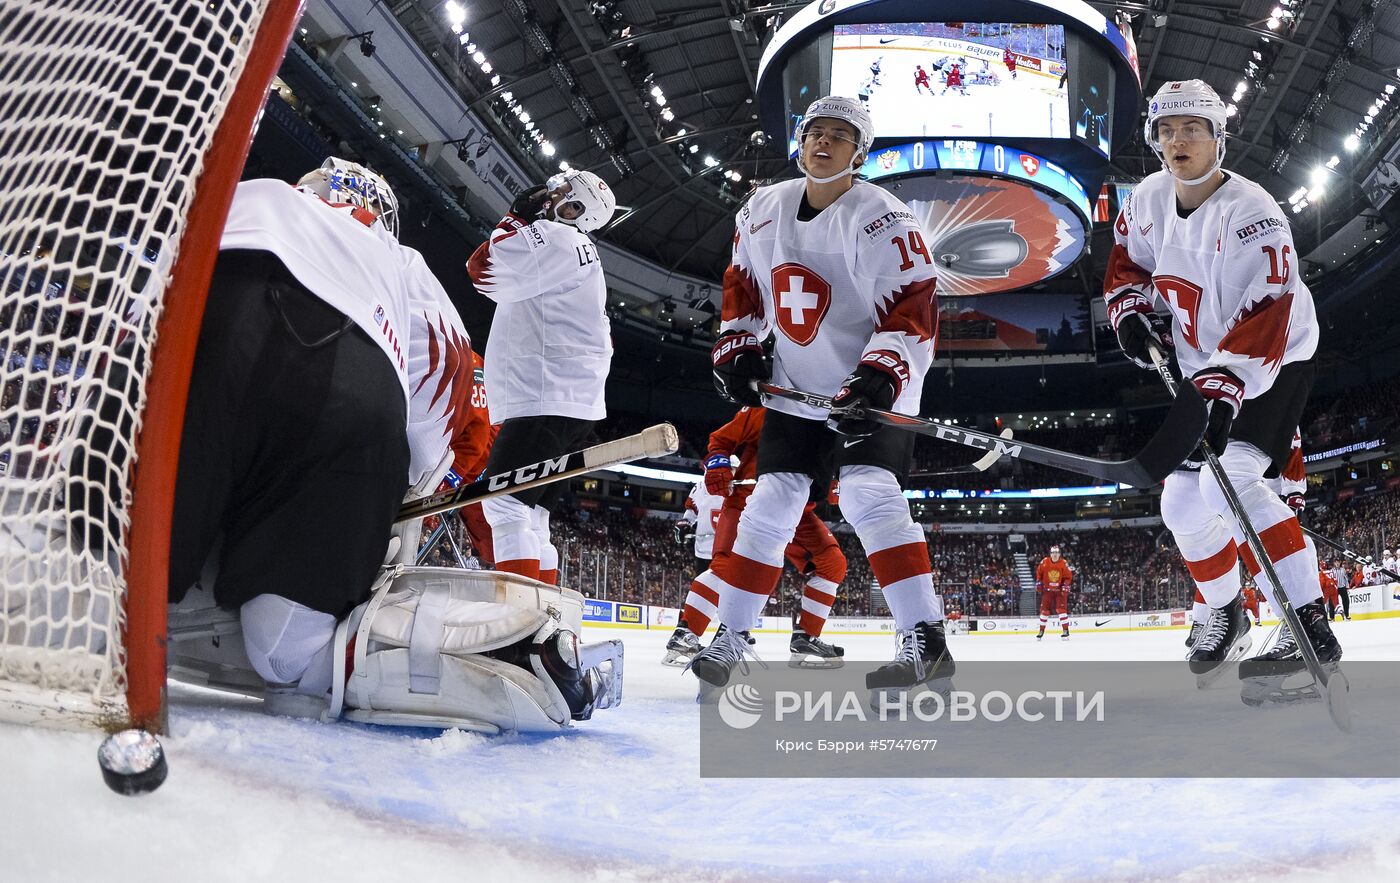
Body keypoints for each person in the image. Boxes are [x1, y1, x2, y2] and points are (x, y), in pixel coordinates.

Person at [162, 159, 619, 732]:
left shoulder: (254, 190)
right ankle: (514, 651)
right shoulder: (403, 261)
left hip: (214, 325)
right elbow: (442, 375)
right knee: (286, 655)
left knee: (125, 571)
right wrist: (410, 486)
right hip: (353, 383)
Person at [688, 95, 947, 697]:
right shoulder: (762, 209)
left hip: (872, 386)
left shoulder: (885, 218)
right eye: (814, 133)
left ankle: (925, 641)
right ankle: (730, 639)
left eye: (839, 135)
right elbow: (742, 286)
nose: (823, 144)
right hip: (798, 387)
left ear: (862, 152)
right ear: (799, 142)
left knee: (868, 492)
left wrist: (879, 378)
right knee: (771, 500)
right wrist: (739, 347)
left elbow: (914, 307)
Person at [1104, 79, 1338, 680]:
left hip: (1274, 358)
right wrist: (1130, 309)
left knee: (1223, 481)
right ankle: (1226, 611)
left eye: (1192, 128)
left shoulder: (1254, 213)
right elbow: (1128, 262)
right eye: (1166, 129)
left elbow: (1269, 311)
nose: (1177, 140)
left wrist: (1225, 387)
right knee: (1181, 503)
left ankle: (1306, 622)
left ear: (1218, 139)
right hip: (1202, 361)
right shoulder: (1149, 200)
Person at [466, 169, 617, 584]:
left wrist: (514, 218)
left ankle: (518, 625)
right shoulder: (579, 248)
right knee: (532, 515)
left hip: (546, 395)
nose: (550, 196)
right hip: (572, 401)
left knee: (503, 504)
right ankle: (544, 620)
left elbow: (483, 271)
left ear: (577, 210)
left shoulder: (559, 238)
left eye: (563, 193)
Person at [675, 407, 848, 668]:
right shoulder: (771, 405)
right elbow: (721, 440)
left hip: (798, 508)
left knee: (832, 562)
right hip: (751, 499)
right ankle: (688, 633)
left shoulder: (843, 415)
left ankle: (806, 635)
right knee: (727, 566)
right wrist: (718, 462)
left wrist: (834, 483)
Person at [662, 474, 723, 665]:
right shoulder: (704, 485)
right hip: (713, 547)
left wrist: (686, 522)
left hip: (716, 546)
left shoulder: (718, 483)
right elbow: (692, 507)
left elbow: (692, 508)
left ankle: (685, 636)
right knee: (712, 591)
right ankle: (687, 635)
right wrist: (685, 522)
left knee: (714, 591)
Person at [1034, 544, 1073, 640]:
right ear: (1050, 554)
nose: (1055, 554)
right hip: (1047, 591)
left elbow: (1068, 577)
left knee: (1061, 610)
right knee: (1044, 611)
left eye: (1056, 552)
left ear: (1059, 554)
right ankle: (1041, 631)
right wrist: (1039, 582)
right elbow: (1039, 573)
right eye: (1053, 553)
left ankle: (1065, 630)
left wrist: (1066, 584)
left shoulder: (1063, 563)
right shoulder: (1044, 562)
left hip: (1059, 591)